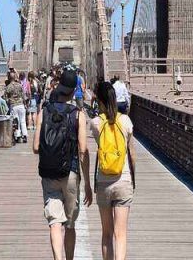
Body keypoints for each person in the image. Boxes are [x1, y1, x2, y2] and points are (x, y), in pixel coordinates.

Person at [34, 68, 92, 260]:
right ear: (73, 90)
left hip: (49, 173)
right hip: (71, 173)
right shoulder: (78, 115)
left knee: (54, 222)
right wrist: (88, 184)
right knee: (70, 224)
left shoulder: (44, 112)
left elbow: (35, 147)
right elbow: (83, 150)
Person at [89, 80, 136, 260]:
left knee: (107, 234)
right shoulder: (125, 121)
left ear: (99, 101)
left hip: (103, 181)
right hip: (123, 180)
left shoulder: (95, 123)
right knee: (121, 234)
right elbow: (132, 154)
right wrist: (133, 179)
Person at [5, 71, 27, 143]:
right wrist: (25, 103)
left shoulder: (8, 87)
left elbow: (6, 99)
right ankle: (25, 135)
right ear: (15, 77)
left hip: (14, 105)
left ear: (9, 78)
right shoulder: (20, 85)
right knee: (22, 121)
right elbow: (23, 95)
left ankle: (18, 136)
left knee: (16, 121)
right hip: (21, 105)